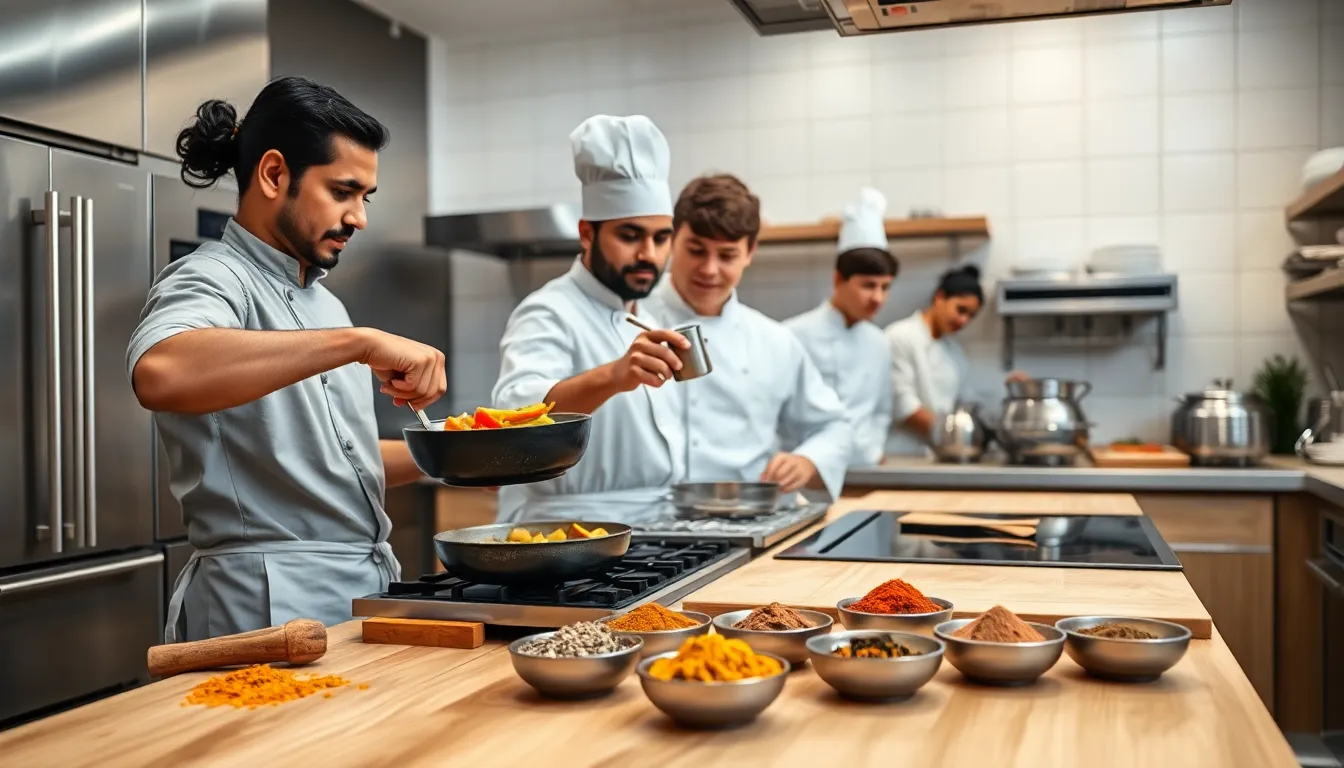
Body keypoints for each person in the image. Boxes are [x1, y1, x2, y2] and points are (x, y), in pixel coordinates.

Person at [126, 76, 448, 642]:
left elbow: (327, 460)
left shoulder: (326, 303)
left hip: (358, 589)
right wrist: (358, 343)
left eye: (365, 198)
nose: (359, 217)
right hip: (263, 601)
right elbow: (161, 371)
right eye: (343, 191)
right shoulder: (212, 276)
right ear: (274, 174)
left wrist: (454, 455)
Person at [492, 114, 690, 521]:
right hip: (566, 530)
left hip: (655, 524)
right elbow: (513, 419)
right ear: (587, 234)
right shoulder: (548, 311)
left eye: (661, 238)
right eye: (629, 236)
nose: (648, 254)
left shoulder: (649, 316)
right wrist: (614, 376)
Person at [642, 174, 850, 498]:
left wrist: (808, 461)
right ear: (672, 240)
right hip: (643, 516)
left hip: (745, 513)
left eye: (726, 256)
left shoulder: (774, 341)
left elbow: (833, 426)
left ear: (750, 252)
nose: (709, 269)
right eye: (696, 251)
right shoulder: (629, 319)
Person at [784, 187, 897, 468]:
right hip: (808, 473)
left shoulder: (880, 343)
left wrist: (874, 451)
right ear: (838, 280)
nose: (878, 298)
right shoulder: (793, 335)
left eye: (885, 287)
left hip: (865, 468)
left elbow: (882, 410)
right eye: (868, 285)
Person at [884, 264, 985, 456]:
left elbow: (966, 403)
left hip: (938, 453)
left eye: (971, 316)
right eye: (961, 310)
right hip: (900, 454)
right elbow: (902, 405)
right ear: (940, 297)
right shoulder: (899, 337)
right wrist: (951, 435)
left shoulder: (956, 353)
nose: (964, 321)